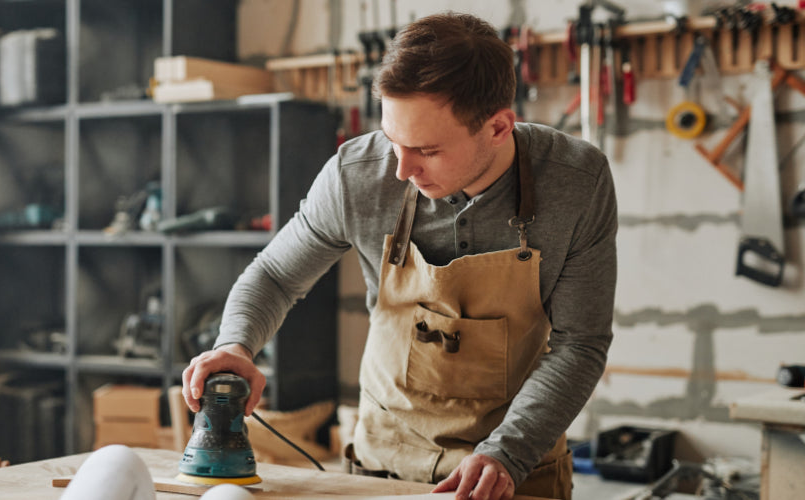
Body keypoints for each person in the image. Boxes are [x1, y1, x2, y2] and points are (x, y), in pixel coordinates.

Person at [182, 11, 616, 500]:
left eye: (427, 150)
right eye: (392, 141)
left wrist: (508, 453)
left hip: (513, 472)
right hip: (381, 467)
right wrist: (236, 344)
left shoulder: (577, 183)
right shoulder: (357, 173)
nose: (401, 169)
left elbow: (580, 343)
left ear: (498, 128)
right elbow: (276, 275)